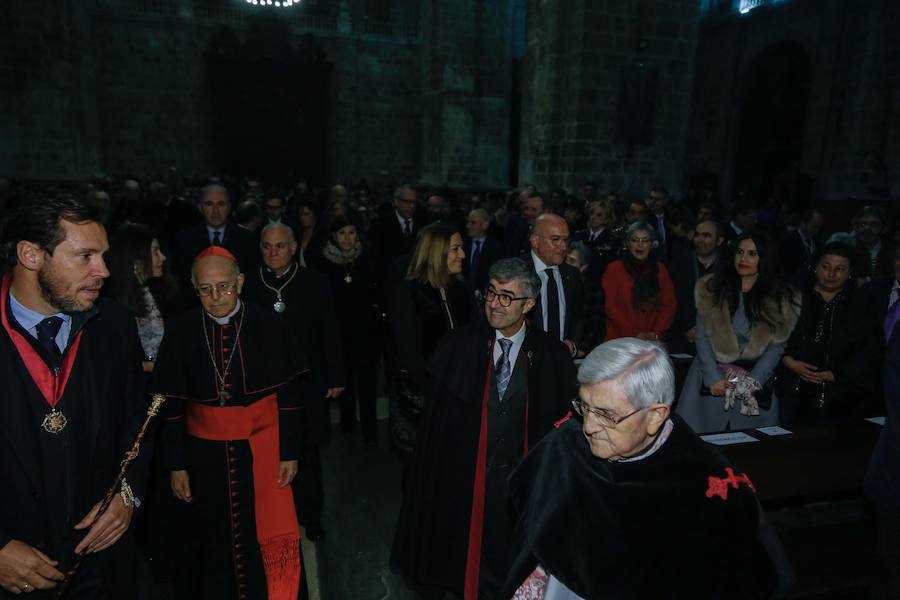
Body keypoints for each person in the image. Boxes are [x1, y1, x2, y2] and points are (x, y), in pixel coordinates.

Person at [500, 338, 780, 599]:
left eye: (607, 415)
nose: (588, 426)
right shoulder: (566, 444)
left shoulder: (706, 484)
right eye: (585, 407)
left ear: (655, 416)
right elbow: (531, 545)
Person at [391, 258, 576, 600]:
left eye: (506, 297)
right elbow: (436, 428)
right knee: (461, 560)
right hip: (464, 481)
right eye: (491, 292)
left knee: (510, 562)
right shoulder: (457, 346)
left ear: (529, 304)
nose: (494, 303)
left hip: (520, 486)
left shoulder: (551, 355)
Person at [0, 196, 149, 597]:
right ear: (31, 255)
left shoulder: (114, 327)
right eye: (85, 256)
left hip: (102, 568)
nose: (102, 271)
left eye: (103, 255)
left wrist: (127, 496)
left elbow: (141, 423)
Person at [151, 246, 307, 599]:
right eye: (205, 289)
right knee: (211, 541)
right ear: (195, 289)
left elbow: (290, 398)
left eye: (224, 286)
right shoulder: (182, 331)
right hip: (203, 456)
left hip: (263, 451)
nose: (216, 297)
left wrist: (290, 453)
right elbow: (172, 406)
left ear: (240, 281)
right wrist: (176, 465)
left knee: (260, 533)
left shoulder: (269, 324)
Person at [677, 232, 801, 433]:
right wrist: (712, 377)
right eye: (740, 252)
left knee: (750, 453)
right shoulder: (713, 287)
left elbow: (776, 347)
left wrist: (754, 381)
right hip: (709, 377)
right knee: (700, 446)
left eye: (752, 254)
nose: (744, 259)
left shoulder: (780, 296)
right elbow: (702, 335)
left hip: (754, 382)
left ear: (764, 258)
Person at [387, 223, 474, 471]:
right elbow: (407, 351)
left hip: (456, 395)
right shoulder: (409, 290)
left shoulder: (461, 289)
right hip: (417, 398)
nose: (463, 255)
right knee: (419, 470)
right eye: (456, 249)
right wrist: (433, 389)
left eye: (462, 248)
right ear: (436, 251)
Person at [778, 242, 876, 425]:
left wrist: (837, 374)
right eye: (826, 266)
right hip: (790, 389)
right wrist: (787, 361)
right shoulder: (791, 299)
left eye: (840, 269)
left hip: (840, 397)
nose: (831, 274)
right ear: (816, 267)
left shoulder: (861, 306)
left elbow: (870, 351)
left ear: (850, 272)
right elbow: (770, 337)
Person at [318, 217, 382, 443]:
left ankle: (370, 430)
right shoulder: (323, 262)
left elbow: (377, 295)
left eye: (352, 232)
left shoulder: (367, 259)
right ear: (334, 235)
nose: (347, 237)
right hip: (338, 335)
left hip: (366, 333)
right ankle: (347, 425)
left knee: (367, 385)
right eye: (342, 232)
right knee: (342, 383)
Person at [104, 222, 178, 372]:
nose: (162, 258)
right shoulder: (111, 306)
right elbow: (112, 361)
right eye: (155, 251)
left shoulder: (161, 292)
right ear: (136, 260)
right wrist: (146, 366)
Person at [171, 184, 259, 295]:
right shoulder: (184, 240)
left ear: (229, 207)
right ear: (200, 208)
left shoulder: (248, 239)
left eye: (221, 204)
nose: (215, 211)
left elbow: (252, 282)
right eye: (209, 204)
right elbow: (181, 283)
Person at [601, 221, 676, 341]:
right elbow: (610, 307)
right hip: (620, 339)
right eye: (635, 240)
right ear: (627, 243)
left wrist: (656, 332)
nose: (639, 245)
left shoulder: (660, 269)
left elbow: (669, 305)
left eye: (645, 241)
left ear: (651, 244)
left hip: (652, 340)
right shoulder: (614, 269)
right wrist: (633, 333)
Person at [525, 213, 584, 356]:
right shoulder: (518, 272)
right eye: (556, 240)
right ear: (535, 241)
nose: (563, 247)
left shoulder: (573, 275)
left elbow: (579, 318)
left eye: (565, 240)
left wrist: (573, 345)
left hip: (564, 364)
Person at [667, 219, 724, 354]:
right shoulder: (679, 262)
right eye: (697, 235)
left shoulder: (727, 268)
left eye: (706, 236)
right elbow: (672, 298)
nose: (699, 239)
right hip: (681, 335)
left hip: (716, 338)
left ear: (720, 240)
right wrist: (688, 326)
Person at [462, 208, 503, 292]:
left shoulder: (496, 247)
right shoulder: (462, 244)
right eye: (468, 222)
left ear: (485, 225)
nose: (468, 226)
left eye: (473, 222)